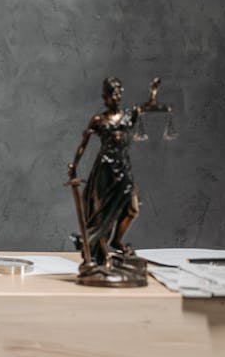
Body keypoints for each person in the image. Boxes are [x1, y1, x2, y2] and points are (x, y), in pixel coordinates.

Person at [66, 76, 171, 274]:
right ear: (105, 97)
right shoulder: (99, 120)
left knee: (132, 209)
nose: (117, 96)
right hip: (105, 170)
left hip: (123, 168)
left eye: (119, 92)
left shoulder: (127, 115)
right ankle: (103, 254)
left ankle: (117, 240)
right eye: (113, 93)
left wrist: (154, 92)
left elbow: (148, 106)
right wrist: (74, 164)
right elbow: (84, 144)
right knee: (104, 215)